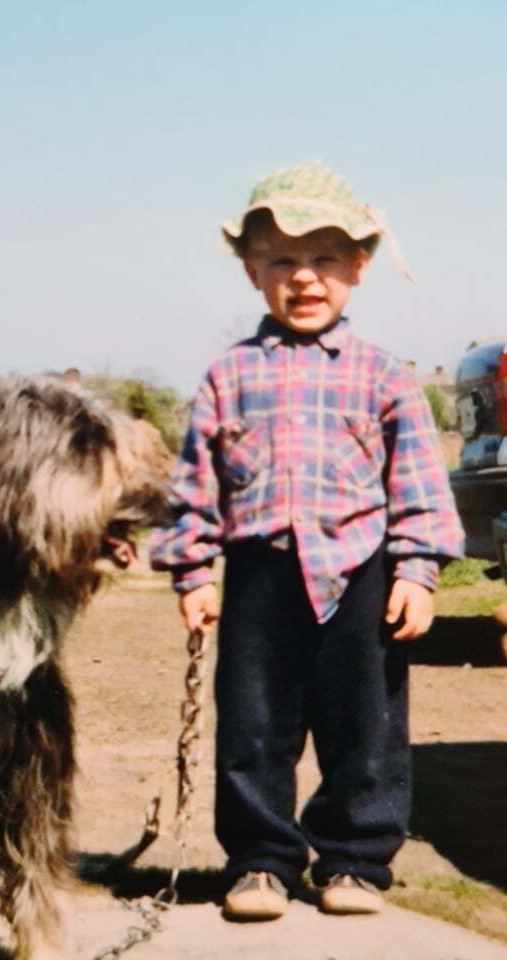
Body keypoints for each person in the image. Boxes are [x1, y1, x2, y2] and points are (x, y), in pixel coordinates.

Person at [150, 163, 464, 920]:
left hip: (362, 576)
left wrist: (416, 571)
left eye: (324, 259)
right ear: (253, 270)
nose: (305, 278)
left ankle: (354, 862)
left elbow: (419, 485)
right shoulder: (229, 376)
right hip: (260, 576)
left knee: (366, 727)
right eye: (282, 261)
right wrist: (193, 573)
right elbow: (196, 486)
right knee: (254, 723)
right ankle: (261, 861)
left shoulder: (384, 377)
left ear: (358, 265)